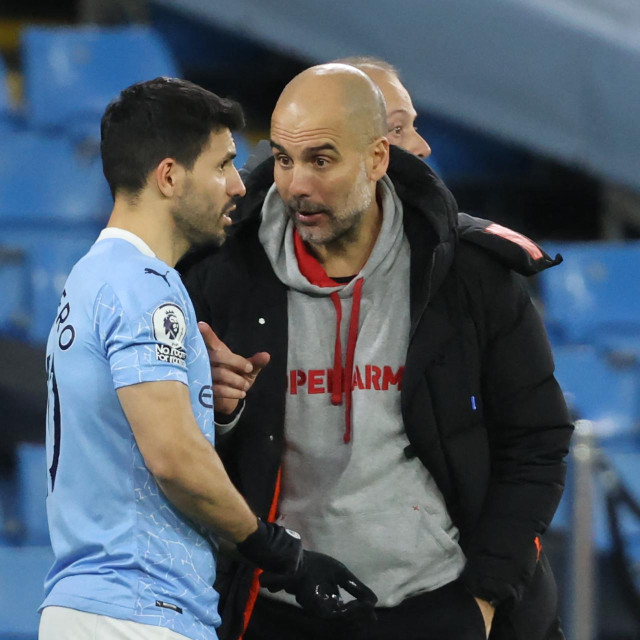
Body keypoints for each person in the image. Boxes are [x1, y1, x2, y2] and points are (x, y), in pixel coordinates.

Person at [180, 64, 572, 640]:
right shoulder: (219, 274)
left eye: (321, 160)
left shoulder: (469, 274)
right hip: (278, 612)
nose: (296, 185)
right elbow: (173, 458)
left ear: (378, 159)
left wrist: (485, 597)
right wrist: (212, 406)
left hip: (441, 606)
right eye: (285, 160)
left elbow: (536, 441)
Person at [39, 77, 376, 640]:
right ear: (169, 176)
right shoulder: (147, 287)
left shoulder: (91, 278)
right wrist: (277, 550)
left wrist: (209, 402)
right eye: (222, 165)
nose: (239, 186)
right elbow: (173, 460)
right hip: (141, 608)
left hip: (93, 606)